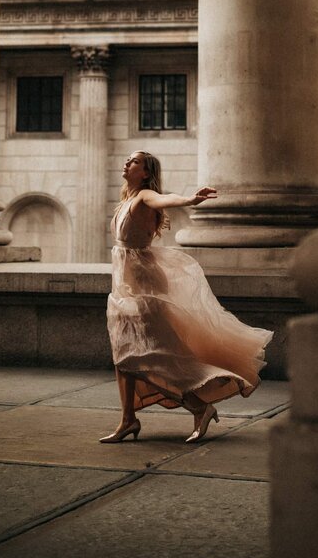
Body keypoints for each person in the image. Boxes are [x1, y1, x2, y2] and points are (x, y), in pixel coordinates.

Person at [100, 151, 273, 444]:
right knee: (122, 357)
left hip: (146, 287)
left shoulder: (145, 196)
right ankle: (128, 420)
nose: (127, 163)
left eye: (135, 161)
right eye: (128, 160)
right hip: (124, 289)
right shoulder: (125, 202)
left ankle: (199, 406)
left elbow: (164, 198)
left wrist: (190, 200)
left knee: (156, 356)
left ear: (145, 172)